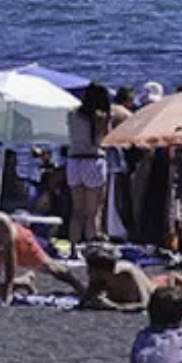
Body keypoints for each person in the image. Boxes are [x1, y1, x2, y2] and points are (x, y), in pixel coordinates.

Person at [66, 82, 111, 248]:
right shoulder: (101, 116)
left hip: (73, 161)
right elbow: (101, 140)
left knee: (77, 210)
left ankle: (73, 248)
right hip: (93, 160)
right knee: (93, 212)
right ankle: (92, 246)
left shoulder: (71, 114)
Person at [78, 244, 154, 311]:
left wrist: (113, 306)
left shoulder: (128, 273)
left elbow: (145, 304)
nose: (88, 272)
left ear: (101, 270)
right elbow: (83, 302)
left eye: (91, 269)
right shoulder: (98, 279)